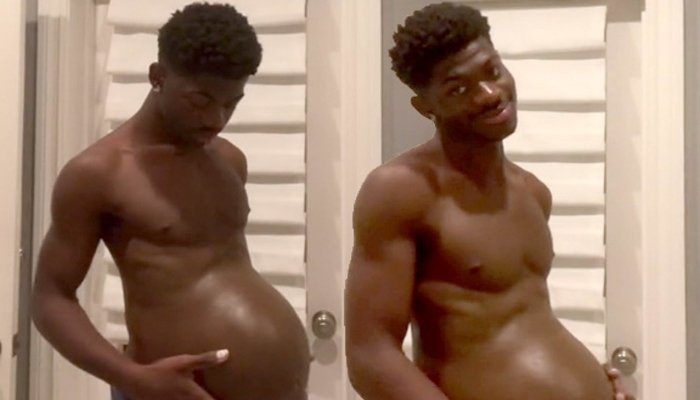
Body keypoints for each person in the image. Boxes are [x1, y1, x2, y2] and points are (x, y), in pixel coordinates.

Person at [344, 3, 632, 400]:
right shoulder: (402, 189)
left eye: (492, 71)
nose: (490, 94)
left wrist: (590, 380)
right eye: (458, 89)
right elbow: (370, 354)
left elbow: (519, 321)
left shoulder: (532, 192)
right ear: (425, 107)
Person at [31, 3, 310, 400]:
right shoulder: (100, 172)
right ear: (158, 76)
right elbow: (50, 298)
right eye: (201, 100)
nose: (217, 118)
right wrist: (132, 377)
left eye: (231, 103)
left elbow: (221, 269)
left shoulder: (229, 160)